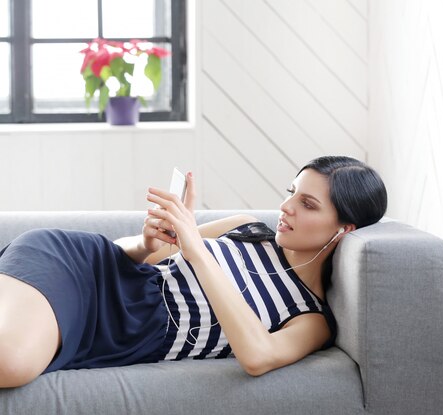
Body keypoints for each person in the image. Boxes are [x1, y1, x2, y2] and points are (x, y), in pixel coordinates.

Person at [0, 156, 387, 388]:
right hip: (77, 268)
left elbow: (257, 356)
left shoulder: (309, 317)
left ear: (343, 229)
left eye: (307, 203)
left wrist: (196, 250)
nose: (286, 207)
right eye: (290, 192)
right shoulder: (246, 228)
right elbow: (130, 256)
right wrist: (149, 243)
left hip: (122, 332)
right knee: (12, 362)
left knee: (12, 365)